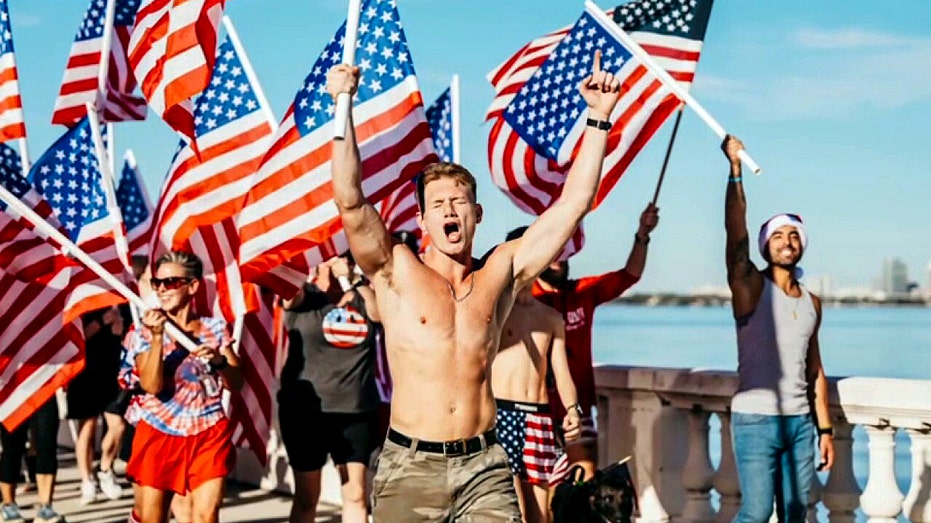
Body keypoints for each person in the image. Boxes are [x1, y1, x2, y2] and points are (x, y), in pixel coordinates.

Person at [326, 48, 622, 521]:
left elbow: (573, 204)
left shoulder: (501, 272)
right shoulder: (395, 269)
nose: (449, 210)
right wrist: (342, 106)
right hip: (411, 465)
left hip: (484, 465)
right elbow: (350, 199)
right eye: (438, 204)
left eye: (459, 202)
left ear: (477, 214)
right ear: (422, 219)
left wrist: (598, 118)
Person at [721, 135, 834, 522]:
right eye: (778, 235)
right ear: (765, 246)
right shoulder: (751, 287)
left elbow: (814, 369)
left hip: (800, 424)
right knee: (755, 513)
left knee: (795, 513)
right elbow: (735, 235)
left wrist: (825, 429)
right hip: (755, 419)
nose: (787, 241)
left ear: (802, 245)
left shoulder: (812, 302)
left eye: (794, 235)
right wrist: (735, 171)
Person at [532, 202, 659, 480]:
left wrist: (642, 235)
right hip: (536, 405)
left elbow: (630, 275)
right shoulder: (525, 298)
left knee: (584, 475)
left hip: (577, 405)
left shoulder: (582, 292)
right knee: (545, 483)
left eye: (565, 254)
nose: (560, 259)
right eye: (554, 253)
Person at [124, 251, 243, 523]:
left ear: (193, 286)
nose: (162, 289)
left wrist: (219, 361)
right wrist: (157, 338)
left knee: (206, 516)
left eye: (171, 282)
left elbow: (236, 383)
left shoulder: (214, 329)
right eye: (157, 283)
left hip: (208, 432)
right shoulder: (144, 330)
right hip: (159, 430)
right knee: (152, 518)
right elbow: (151, 386)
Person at [278, 254, 380, 523]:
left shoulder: (362, 297)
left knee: (356, 494)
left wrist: (353, 280)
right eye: (327, 258)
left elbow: (379, 314)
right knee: (307, 497)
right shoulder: (304, 298)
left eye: (341, 257)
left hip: (354, 411)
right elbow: (288, 293)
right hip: (305, 413)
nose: (334, 264)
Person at [492, 226, 582, 523]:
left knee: (539, 513)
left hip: (538, 416)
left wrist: (572, 409)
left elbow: (561, 372)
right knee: (507, 509)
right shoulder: (495, 309)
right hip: (500, 413)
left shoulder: (551, 317)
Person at [66, 304, 131, 504]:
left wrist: (122, 330)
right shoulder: (84, 300)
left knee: (118, 425)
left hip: (113, 370)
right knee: (87, 427)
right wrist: (102, 321)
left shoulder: (124, 302)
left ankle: (105, 468)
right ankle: (87, 481)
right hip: (85, 370)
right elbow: (77, 336)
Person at [0, 400, 63, 523]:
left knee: (47, 443)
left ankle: (46, 508)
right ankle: (8, 506)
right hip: (13, 394)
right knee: (12, 447)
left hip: (43, 392)